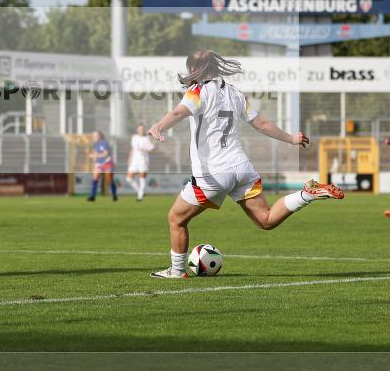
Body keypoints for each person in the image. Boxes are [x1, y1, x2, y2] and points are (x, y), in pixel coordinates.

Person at [147, 50, 344, 279]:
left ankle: (177, 271)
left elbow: (178, 112)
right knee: (266, 220)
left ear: (194, 70)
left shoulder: (198, 91)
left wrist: (158, 126)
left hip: (214, 173)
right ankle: (307, 194)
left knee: (176, 219)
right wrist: (291, 138)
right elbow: (261, 123)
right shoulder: (235, 93)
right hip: (241, 168)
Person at [127, 124, 155, 201]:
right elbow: (133, 149)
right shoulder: (134, 138)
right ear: (137, 129)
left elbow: (151, 148)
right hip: (134, 160)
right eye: (139, 129)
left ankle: (140, 196)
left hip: (143, 160)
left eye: (142, 129)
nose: (141, 130)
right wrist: (129, 158)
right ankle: (140, 191)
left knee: (142, 179)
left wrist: (145, 149)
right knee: (129, 179)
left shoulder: (147, 138)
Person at [88, 130, 116, 201]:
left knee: (109, 180)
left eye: (96, 136)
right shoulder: (95, 144)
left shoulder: (104, 143)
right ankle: (92, 196)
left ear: (100, 136)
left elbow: (105, 154)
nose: (94, 137)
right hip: (99, 164)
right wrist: (93, 158)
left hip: (107, 163)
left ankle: (114, 195)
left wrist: (94, 155)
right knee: (95, 179)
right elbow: (95, 154)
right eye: (94, 136)